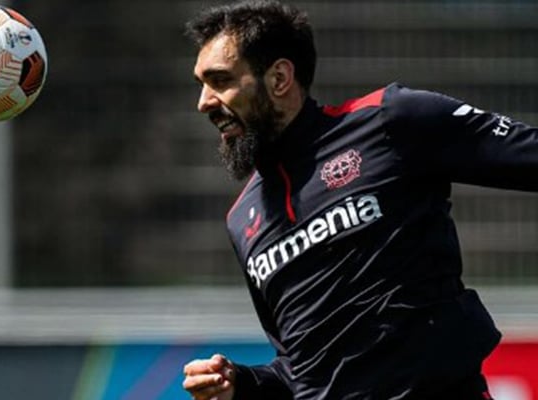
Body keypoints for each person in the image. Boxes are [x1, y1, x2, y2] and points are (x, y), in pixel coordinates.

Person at [182, 1, 537, 399]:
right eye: (201, 84)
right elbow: (300, 369)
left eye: (220, 81)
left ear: (279, 78)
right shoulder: (242, 219)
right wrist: (243, 384)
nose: (204, 102)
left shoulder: (391, 121)